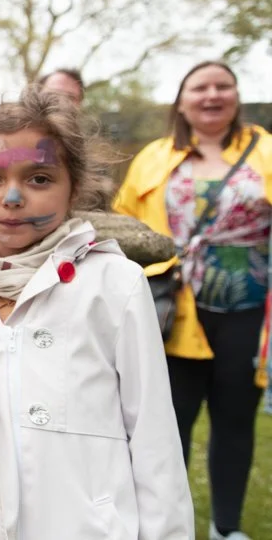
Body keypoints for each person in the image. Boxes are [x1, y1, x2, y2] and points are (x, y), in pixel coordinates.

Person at [0, 89, 193, 539]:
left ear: (74, 186)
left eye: (39, 179)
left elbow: (154, 438)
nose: (12, 197)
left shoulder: (115, 285)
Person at [113, 60, 272, 540]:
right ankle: (166, 527)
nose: (212, 95)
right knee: (167, 425)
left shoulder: (266, 150)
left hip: (247, 310)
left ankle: (226, 527)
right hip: (171, 311)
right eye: (199, 87)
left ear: (237, 96)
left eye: (223, 86)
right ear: (181, 100)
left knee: (235, 420)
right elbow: (125, 228)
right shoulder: (153, 157)